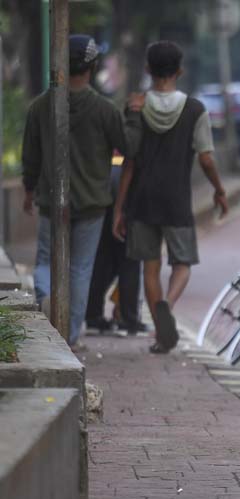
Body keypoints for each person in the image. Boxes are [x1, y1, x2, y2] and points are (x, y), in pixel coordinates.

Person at [22, 34, 142, 349]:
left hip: (50, 200)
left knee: (47, 260)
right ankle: (70, 337)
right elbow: (128, 146)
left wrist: (27, 190)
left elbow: (30, 155)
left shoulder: (40, 106)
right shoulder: (105, 109)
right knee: (80, 268)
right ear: (92, 66)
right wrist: (133, 115)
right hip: (92, 204)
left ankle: (46, 297)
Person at [113, 40, 228, 354]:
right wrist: (218, 189)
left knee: (150, 268)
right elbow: (206, 158)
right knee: (182, 263)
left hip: (142, 200)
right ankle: (167, 303)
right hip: (176, 200)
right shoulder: (195, 110)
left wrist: (119, 208)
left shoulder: (136, 106)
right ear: (179, 71)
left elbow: (129, 161)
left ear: (148, 69)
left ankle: (162, 334)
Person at [85, 155, 147, 336]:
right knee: (129, 258)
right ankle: (127, 317)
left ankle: (93, 314)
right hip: (125, 180)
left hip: (100, 179)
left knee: (103, 257)